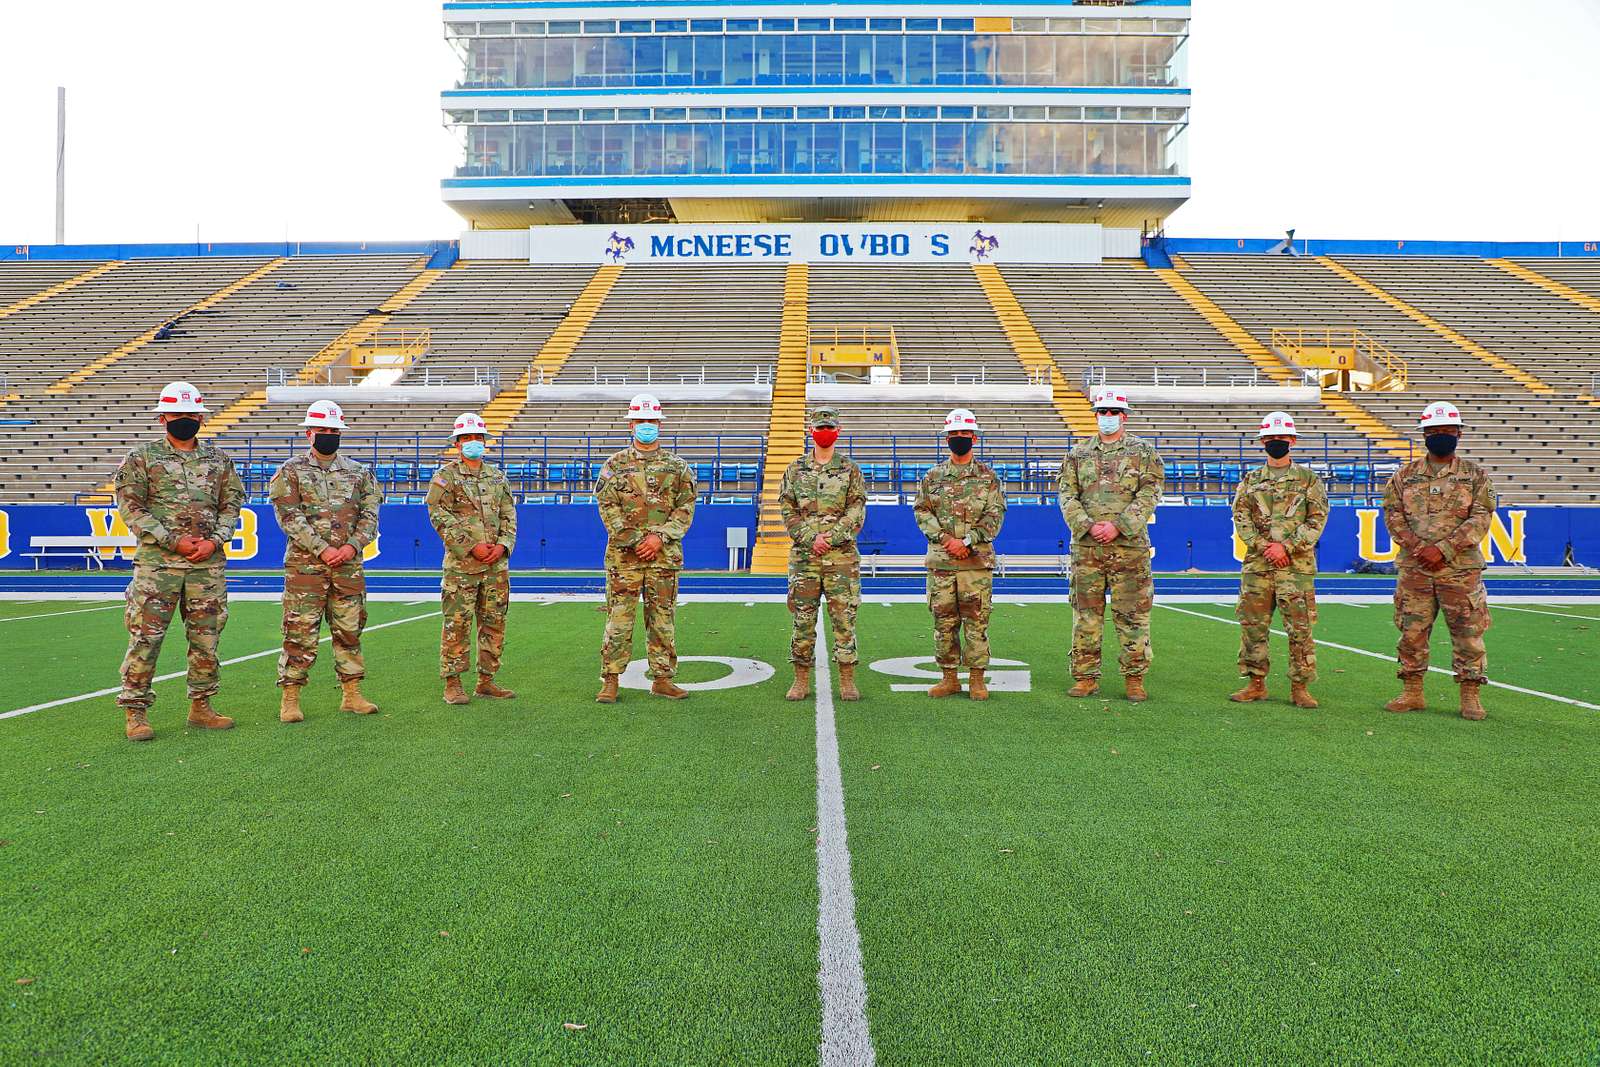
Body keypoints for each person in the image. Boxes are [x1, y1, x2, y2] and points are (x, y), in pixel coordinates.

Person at [113, 382, 243, 741]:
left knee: (206, 638)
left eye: (190, 415)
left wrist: (215, 540)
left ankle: (201, 706)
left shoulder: (219, 460)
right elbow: (131, 507)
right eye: (176, 414)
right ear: (162, 417)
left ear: (201, 417)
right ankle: (136, 711)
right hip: (158, 567)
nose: (184, 420)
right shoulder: (142, 458)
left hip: (206, 566)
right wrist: (174, 541)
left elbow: (231, 506)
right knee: (146, 637)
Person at [1381, 401, 1497, 720]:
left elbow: (1481, 517)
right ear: (1424, 435)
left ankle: (1470, 695)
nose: (1440, 436)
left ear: (1458, 433)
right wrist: (1419, 547)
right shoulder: (1404, 476)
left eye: (1446, 431)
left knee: (1467, 633)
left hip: (1461, 570)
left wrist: (1443, 549)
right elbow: (1393, 516)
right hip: (1415, 569)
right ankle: (1412, 692)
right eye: (1433, 431)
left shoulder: (1475, 476)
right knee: (1411, 632)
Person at [269, 400, 383, 723]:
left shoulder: (360, 473)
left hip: (347, 566)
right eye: (323, 430)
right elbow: (289, 517)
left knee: (350, 630)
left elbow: (370, 516)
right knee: (299, 633)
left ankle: (352, 695)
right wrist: (322, 548)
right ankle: (290, 699)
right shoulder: (290, 472)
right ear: (309, 434)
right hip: (305, 570)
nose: (329, 435)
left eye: (334, 430)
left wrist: (351, 547)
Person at [1057, 386, 1164, 702]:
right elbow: (1066, 495)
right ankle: (1086, 677)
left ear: (1124, 416)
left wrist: (1119, 526)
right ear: (1095, 416)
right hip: (1088, 550)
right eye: (1102, 413)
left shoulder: (1144, 454)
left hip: (1129, 550)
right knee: (1086, 616)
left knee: (1132, 615)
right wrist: (1088, 526)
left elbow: (1150, 494)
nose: (1107, 418)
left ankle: (1134, 678)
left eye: (1112, 413)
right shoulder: (1077, 455)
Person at [594, 394, 697, 704]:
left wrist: (659, 538)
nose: (646, 426)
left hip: (663, 557)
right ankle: (610, 680)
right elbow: (607, 506)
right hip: (624, 559)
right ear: (631, 424)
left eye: (652, 421)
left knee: (662, 620)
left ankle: (663, 679)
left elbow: (685, 507)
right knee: (619, 619)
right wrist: (636, 540)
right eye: (641, 421)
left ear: (659, 425)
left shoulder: (677, 466)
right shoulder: (614, 465)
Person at [1229, 411, 1330, 708]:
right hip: (1258, 566)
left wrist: (1286, 547)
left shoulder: (1309, 480)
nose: (1277, 442)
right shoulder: (1251, 480)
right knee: (1252, 626)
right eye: (1271, 438)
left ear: (1293, 440)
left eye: (1282, 438)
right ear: (1262, 441)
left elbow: (1317, 519)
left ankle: (1300, 687)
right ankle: (1255, 683)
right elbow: (1241, 517)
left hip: (1295, 567)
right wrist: (1264, 546)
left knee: (1300, 628)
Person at [912, 408, 1006, 700]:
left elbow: (995, 515)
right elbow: (921, 510)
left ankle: (977, 680)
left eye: (964, 434)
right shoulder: (933, 477)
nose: (959, 439)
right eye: (954, 434)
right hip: (942, 563)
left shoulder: (989, 478)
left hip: (975, 564)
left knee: (977, 622)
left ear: (974, 438)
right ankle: (949, 678)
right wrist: (944, 539)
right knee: (944, 622)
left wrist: (967, 540)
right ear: (947, 438)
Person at [426, 412, 517, 706]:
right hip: (462, 567)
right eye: (467, 438)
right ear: (457, 443)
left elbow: (509, 514)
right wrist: (470, 546)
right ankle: (453, 684)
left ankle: (486, 681)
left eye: (478, 438)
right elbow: (438, 514)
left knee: (494, 624)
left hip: (495, 566)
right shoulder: (446, 477)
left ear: (485, 442)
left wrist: (502, 546)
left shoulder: (497, 477)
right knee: (457, 624)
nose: (473, 443)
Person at [778, 406, 867, 702]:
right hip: (805, 558)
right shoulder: (795, 469)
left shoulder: (850, 469)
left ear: (838, 431)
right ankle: (801, 680)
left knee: (844, 620)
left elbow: (857, 509)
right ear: (811, 431)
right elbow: (787, 509)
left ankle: (847, 679)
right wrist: (810, 538)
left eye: (829, 427)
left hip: (841, 559)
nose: (824, 432)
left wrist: (832, 537)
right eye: (820, 427)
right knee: (803, 620)